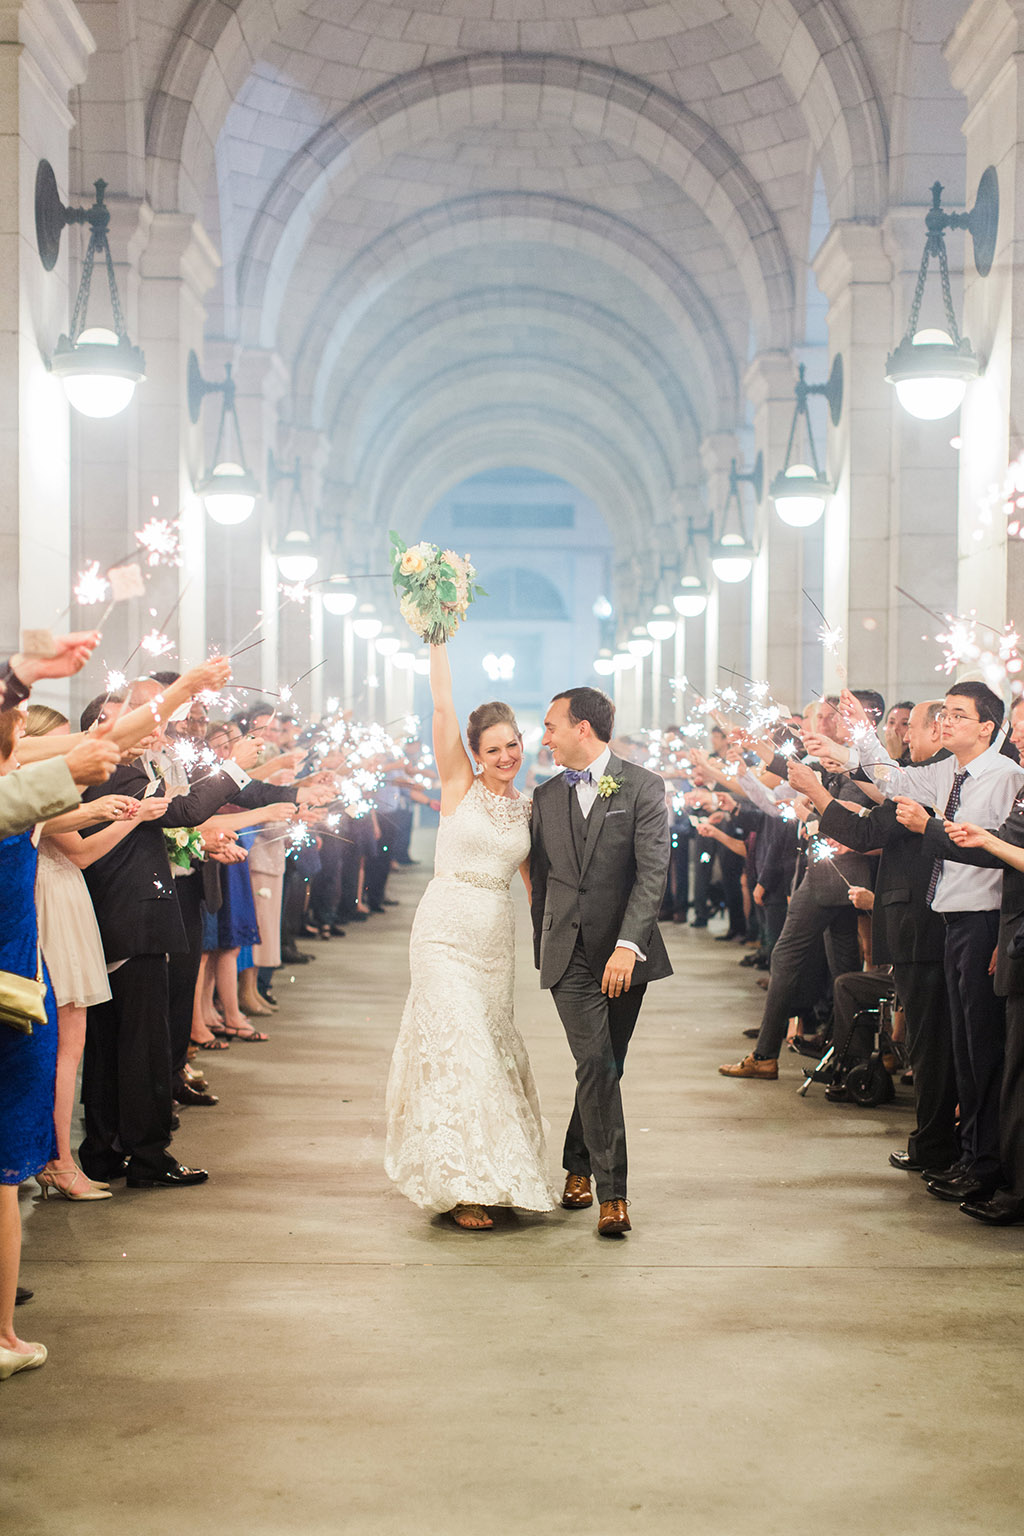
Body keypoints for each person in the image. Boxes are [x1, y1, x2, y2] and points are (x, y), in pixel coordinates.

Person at [385, 644, 557, 1230]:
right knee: (458, 1047)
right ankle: (462, 1187)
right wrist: (437, 639)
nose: (507, 755)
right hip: (442, 933)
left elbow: (537, 890)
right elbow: (441, 707)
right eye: (494, 748)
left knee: (488, 1047)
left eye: (513, 744)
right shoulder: (459, 783)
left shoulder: (531, 809)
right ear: (475, 753)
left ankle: (497, 1172)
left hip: (493, 942)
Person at [531, 687, 672, 1236]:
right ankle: (614, 1197)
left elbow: (652, 871)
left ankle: (576, 1163)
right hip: (567, 956)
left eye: (551, 726)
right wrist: (546, 947)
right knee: (595, 1064)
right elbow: (541, 880)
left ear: (582, 728)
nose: (545, 737)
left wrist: (627, 944)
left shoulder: (643, 786)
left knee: (605, 1066)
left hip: (625, 956)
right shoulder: (544, 798)